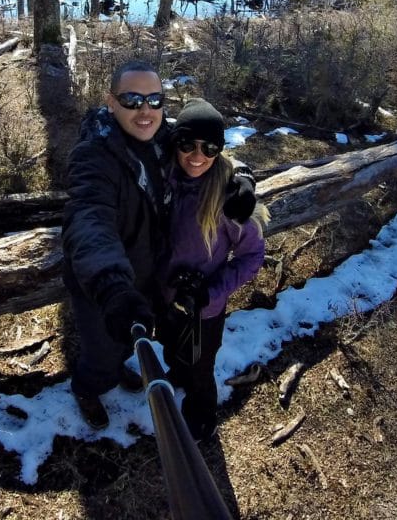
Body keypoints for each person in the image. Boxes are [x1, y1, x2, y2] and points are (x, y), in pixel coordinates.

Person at [62, 62, 257, 429]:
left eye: (154, 99)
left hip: (149, 275)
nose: (145, 109)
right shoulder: (93, 156)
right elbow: (90, 221)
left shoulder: (160, 136)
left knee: (129, 339)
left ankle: (118, 367)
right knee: (102, 351)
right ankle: (88, 389)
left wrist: (243, 175)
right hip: (106, 283)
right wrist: (110, 285)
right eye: (132, 99)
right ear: (111, 102)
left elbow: (207, 147)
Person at [156, 98, 269, 442]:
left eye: (209, 148)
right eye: (187, 144)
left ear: (219, 151)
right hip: (163, 297)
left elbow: (252, 256)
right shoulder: (164, 177)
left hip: (203, 311)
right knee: (169, 344)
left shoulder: (229, 199)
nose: (196, 155)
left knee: (201, 368)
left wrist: (210, 292)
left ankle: (202, 417)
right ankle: (176, 374)